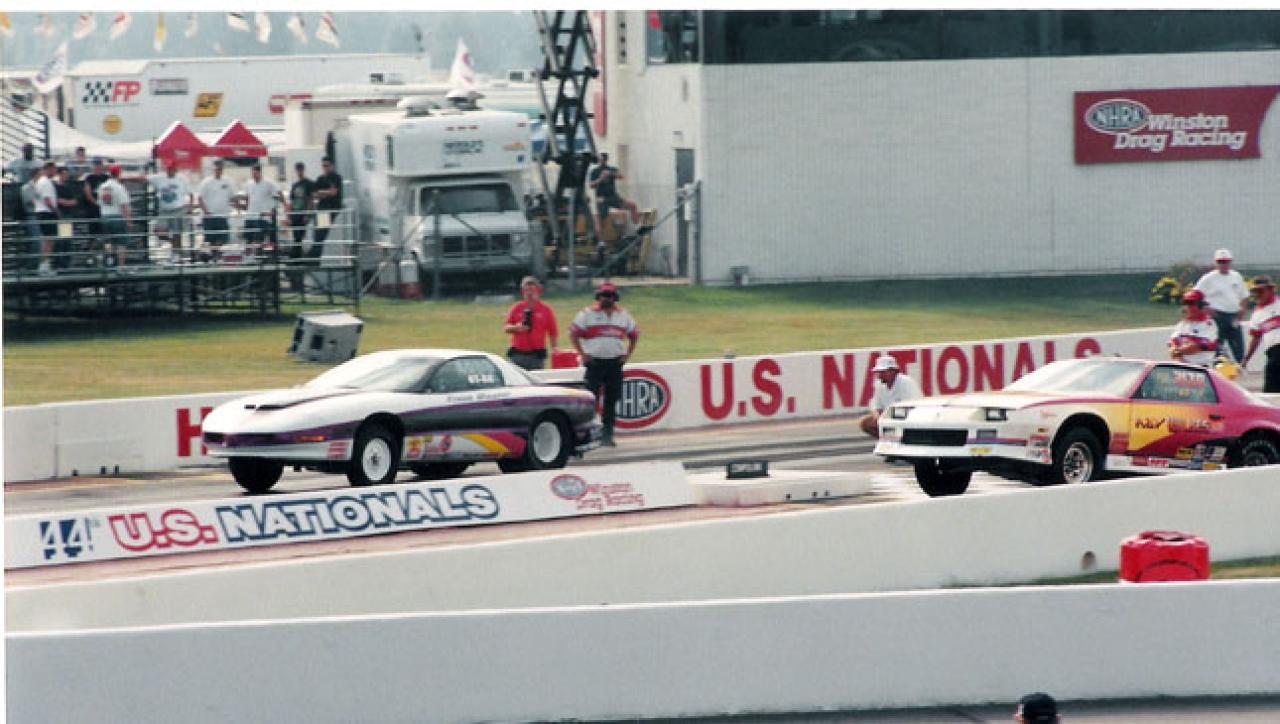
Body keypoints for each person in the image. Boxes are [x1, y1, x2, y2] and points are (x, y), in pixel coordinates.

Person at [569, 281, 638, 446]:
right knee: (590, 400)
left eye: (610, 296)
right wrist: (583, 354)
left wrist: (627, 355)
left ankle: (608, 435)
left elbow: (634, 335)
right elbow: (573, 334)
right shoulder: (587, 314)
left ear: (615, 297)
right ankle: (588, 435)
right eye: (603, 295)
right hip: (594, 363)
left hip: (614, 363)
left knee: (611, 401)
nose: (606, 299)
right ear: (598, 296)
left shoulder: (624, 315)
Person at [1194, 248, 1249, 362]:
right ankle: (1219, 366)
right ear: (1216, 263)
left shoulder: (1236, 276)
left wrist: (1243, 308)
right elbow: (1195, 294)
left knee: (1238, 346)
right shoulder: (1208, 278)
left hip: (1233, 316)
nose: (1223, 264)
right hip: (1217, 316)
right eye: (1220, 262)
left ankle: (1239, 365)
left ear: (1230, 262)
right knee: (1218, 347)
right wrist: (1205, 307)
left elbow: (1244, 295)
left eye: (1226, 262)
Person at [858, 356, 923, 438]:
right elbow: (875, 404)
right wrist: (877, 416)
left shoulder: (906, 382)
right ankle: (887, 440)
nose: (879, 375)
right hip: (889, 416)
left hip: (910, 416)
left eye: (883, 372)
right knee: (865, 422)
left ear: (893, 371)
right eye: (878, 372)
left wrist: (888, 416)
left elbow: (912, 407)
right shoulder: (879, 384)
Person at [504, 276, 559, 370]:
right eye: (526, 290)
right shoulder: (517, 308)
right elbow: (506, 327)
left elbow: (553, 332)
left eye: (532, 290)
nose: (529, 293)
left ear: (539, 291)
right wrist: (517, 328)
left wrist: (554, 348)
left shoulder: (545, 310)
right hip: (518, 355)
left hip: (536, 356)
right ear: (522, 292)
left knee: (536, 378)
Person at [1241, 275, 1280, 393]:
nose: (1257, 294)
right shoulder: (1257, 314)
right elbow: (1255, 338)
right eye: (1255, 292)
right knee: (1271, 388)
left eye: (1261, 291)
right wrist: (1246, 358)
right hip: (1273, 353)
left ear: (1270, 290)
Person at [147, 162, 192, 261]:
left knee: (177, 233)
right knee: (158, 231)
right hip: (164, 210)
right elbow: (144, 179)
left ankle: (176, 254)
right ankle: (174, 244)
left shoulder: (182, 179)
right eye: (168, 169)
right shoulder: (159, 178)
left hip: (178, 209)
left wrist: (190, 208)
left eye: (172, 169)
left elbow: (190, 193)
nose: (170, 171)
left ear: (175, 170)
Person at [1168, 289, 1219, 367]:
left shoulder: (1209, 324)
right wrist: (1174, 351)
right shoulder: (1182, 325)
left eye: (1191, 303)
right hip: (1181, 366)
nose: (1188, 307)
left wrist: (1178, 351)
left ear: (1201, 306)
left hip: (1201, 368)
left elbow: (1197, 347)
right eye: (1186, 303)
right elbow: (1172, 343)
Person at [97, 165, 134, 270]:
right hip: (118, 216)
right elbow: (124, 206)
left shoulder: (102, 187)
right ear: (119, 173)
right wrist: (129, 221)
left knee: (108, 241)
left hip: (105, 216)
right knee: (121, 243)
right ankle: (121, 267)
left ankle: (110, 262)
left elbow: (99, 202)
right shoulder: (119, 187)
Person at [242, 163, 283, 256]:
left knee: (259, 240)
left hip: (263, 216)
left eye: (256, 173)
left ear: (260, 172)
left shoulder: (269, 183)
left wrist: (274, 208)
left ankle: (260, 257)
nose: (254, 175)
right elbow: (247, 198)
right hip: (250, 216)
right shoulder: (249, 184)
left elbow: (278, 195)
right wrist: (244, 207)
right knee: (248, 239)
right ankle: (249, 258)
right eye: (253, 173)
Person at [197, 159, 235, 260]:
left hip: (223, 215)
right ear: (213, 169)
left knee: (223, 237)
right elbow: (200, 198)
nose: (218, 170)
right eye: (217, 168)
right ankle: (212, 256)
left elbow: (232, 197)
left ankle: (217, 253)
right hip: (210, 215)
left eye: (220, 168)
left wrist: (239, 206)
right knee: (210, 239)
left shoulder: (228, 181)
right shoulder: (206, 182)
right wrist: (206, 211)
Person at [588, 152, 639, 226]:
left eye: (604, 159)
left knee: (632, 206)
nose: (602, 161)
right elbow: (591, 185)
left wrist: (611, 174)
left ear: (606, 160)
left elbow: (621, 176)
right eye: (601, 159)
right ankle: (598, 232)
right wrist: (600, 179)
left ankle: (637, 226)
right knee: (601, 219)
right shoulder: (595, 171)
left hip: (613, 196)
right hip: (602, 198)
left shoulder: (611, 169)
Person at [285, 161, 315, 285]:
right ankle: (296, 259)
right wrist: (289, 215)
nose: (299, 172)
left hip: (302, 214)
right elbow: (291, 201)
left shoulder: (309, 183)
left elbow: (311, 199)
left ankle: (295, 259)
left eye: (300, 169)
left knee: (299, 237)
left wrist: (307, 214)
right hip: (295, 214)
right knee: (296, 237)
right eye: (297, 170)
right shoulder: (295, 185)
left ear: (303, 170)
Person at [310, 156, 343, 259]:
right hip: (321, 208)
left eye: (327, 165)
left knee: (321, 234)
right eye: (323, 166)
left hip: (330, 208)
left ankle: (313, 257)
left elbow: (334, 192)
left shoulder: (336, 178)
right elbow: (314, 194)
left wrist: (321, 192)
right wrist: (326, 192)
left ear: (332, 166)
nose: (325, 168)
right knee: (317, 234)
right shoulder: (320, 179)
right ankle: (314, 257)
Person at [33, 161, 59, 275]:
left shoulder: (40, 182)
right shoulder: (46, 182)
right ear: (49, 168)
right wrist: (56, 212)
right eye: (54, 169)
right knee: (49, 240)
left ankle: (44, 265)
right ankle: (44, 266)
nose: (55, 171)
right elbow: (47, 200)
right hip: (47, 213)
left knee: (47, 240)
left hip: (42, 212)